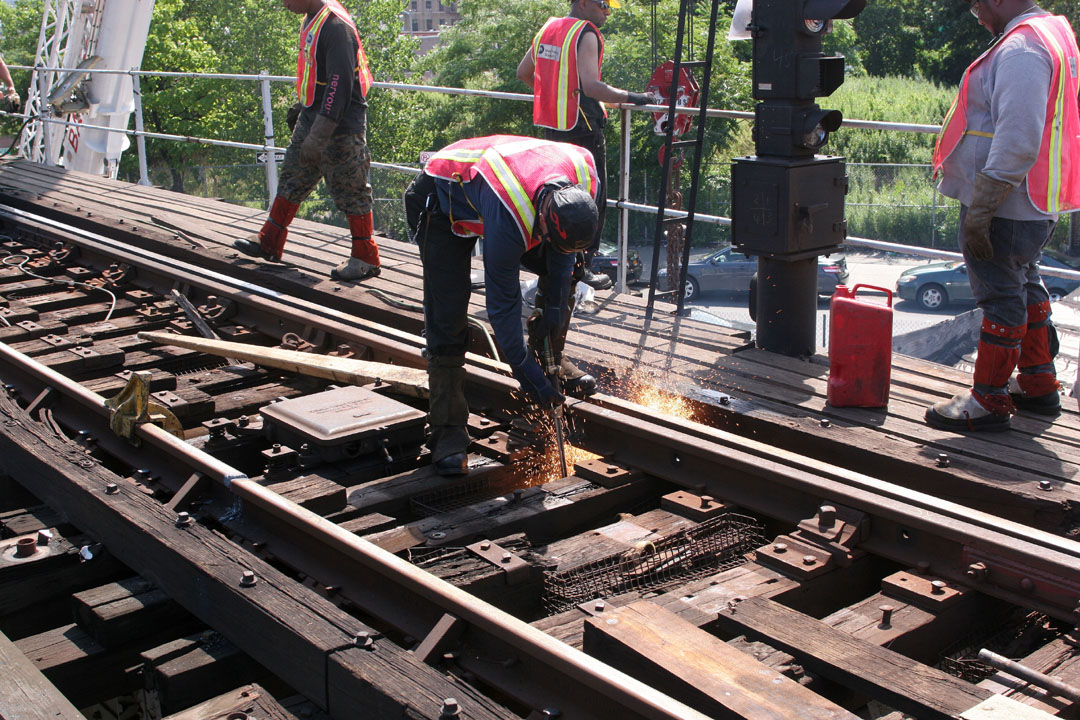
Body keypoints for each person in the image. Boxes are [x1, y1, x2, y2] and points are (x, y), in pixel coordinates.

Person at [926, 0, 1080, 431]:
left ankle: (988, 399)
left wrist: (982, 209)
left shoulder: (1022, 50)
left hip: (1006, 204)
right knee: (1024, 282)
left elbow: (1017, 138)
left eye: (976, 3)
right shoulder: (1050, 33)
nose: (975, 13)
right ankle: (1038, 384)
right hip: (1030, 201)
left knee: (1000, 296)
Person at [405, 135, 599, 476]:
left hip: (496, 183)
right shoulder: (511, 213)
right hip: (442, 197)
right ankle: (446, 430)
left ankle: (550, 361)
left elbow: (562, 262)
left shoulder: (585, 175)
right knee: (447, 312)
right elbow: (502, 307)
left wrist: (552, 316)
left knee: (567, 276)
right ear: (543, 220)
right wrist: (524, 373)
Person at [234, 0, 379, 282]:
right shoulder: (314, 16)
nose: (282, 2)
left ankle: (365, 257)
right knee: (293, 175)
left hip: (340, 123)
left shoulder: (336, 27)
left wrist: (319, 133)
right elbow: (320, 74)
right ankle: (270, 240)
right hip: (314, 113)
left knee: (351, 188)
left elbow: (340, 86)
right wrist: (304, 109)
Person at [516, 0, 652, 291]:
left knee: (552, 197)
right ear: (584, 2)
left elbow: (524, 72)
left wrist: (555, 96)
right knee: (590, 200)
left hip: (551, 127)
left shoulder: (549, 28)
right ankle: (581, 269)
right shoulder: (585, 33)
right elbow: (591, 87)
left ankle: (552, 264)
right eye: (604, 4)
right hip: (582, 130)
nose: (608, 11)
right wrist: (636, 97)